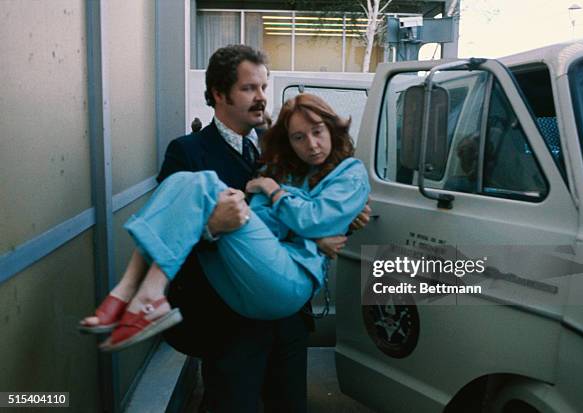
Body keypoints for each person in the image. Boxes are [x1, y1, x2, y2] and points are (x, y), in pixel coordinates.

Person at [79, 45, 370, 413]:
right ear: (219, 93)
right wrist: (212, 227)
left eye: (264, 87)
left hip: (288, 318)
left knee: (290, 405)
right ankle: (138, 294)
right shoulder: (187, 151)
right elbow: (171, 230)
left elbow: (316, 204)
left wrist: (344, 220)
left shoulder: (282, 144)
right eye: (250, 88)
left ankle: (134, 294)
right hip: (229, 321)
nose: (262, 98)